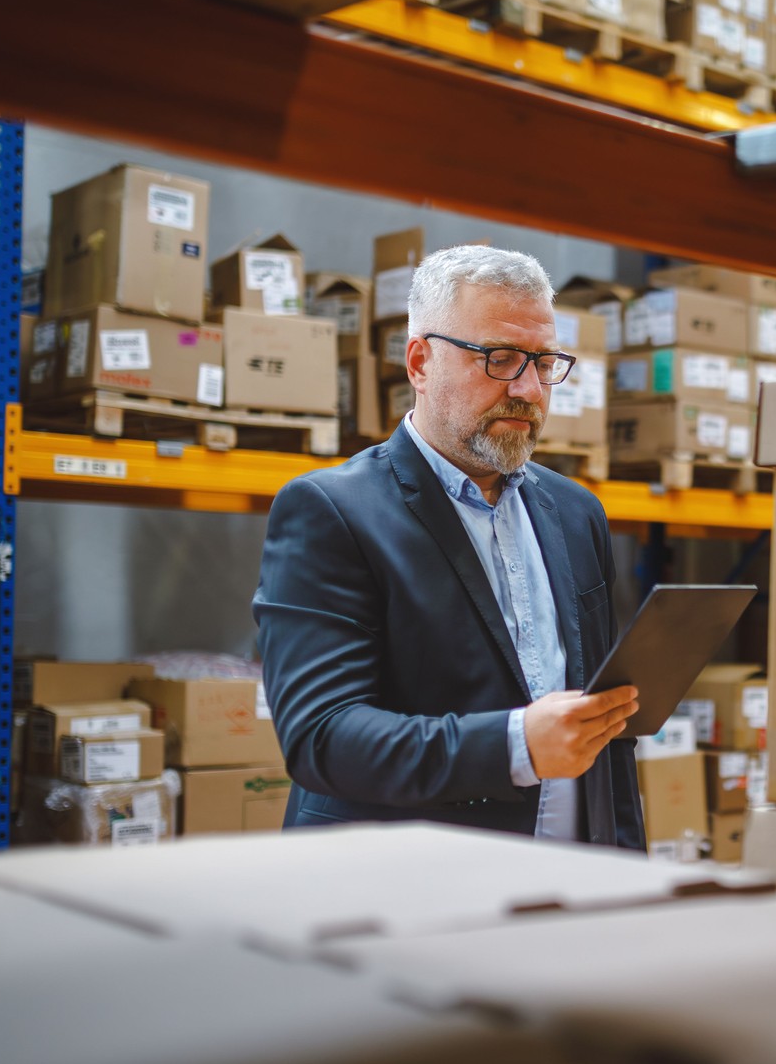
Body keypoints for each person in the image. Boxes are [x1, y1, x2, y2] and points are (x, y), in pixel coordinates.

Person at [254, 245, 642, 847]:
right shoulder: (331, 512)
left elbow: (603, 728)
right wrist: (515, 745)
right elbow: (323, 737)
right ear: (419, 363)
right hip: (408, 889)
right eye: (501, 358)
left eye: (543, 363)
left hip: (569, 882)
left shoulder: (575, 512)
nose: (530, 390)